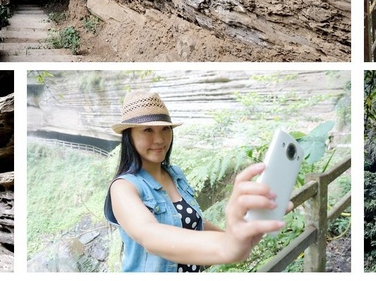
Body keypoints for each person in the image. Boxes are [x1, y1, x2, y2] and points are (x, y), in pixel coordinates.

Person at [103, 91, 289, 272]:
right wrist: (226, 246)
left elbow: (194, 220)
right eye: (148, 130)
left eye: (165, 129)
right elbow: (150, 236)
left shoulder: (175, 174)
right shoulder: (123, 187)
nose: (159, 139)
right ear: (129, 136)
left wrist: (235, 236)